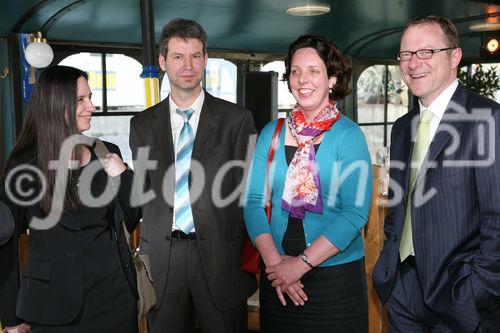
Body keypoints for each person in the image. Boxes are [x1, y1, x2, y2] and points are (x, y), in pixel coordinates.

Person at [372, 15, 500, 332]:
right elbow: (399, 207)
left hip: (460, 299)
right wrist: (390, 273)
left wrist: (475, 292)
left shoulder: (488, 119)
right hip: (402, 293)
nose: (414, 63)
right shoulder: (402, 128)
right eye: (406, 54)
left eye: (426, 51)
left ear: (454, 56)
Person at [129, 18, 257, 333]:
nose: (188, 65)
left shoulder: (237, 120)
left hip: (221, 258)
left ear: (205, 59)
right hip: (162, 257)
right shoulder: (142, 125)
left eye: (195, 56)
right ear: (162, 61)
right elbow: (142, 194)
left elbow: (251, 193)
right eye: (178, 56)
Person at [244, 34, 373, 332]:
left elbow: (354, 213)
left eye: (314, 70)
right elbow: (252, 202)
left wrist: (298, 265)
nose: (303, 79)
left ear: (332, 79)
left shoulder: (349, 136)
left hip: (334, 283)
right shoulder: (271, 133)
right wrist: (276, 266)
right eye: (296, 71)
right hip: (277, 280)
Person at [0, 65, 141, 332]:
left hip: (115, 300)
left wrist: (123, 176)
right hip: (49, 306)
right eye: (81, 99)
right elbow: (3, 246)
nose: (92, 106)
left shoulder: (106, 152)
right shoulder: (25, 167)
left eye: (90, 97)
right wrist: (11, 318)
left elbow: (130, 220)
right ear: (56, 105)